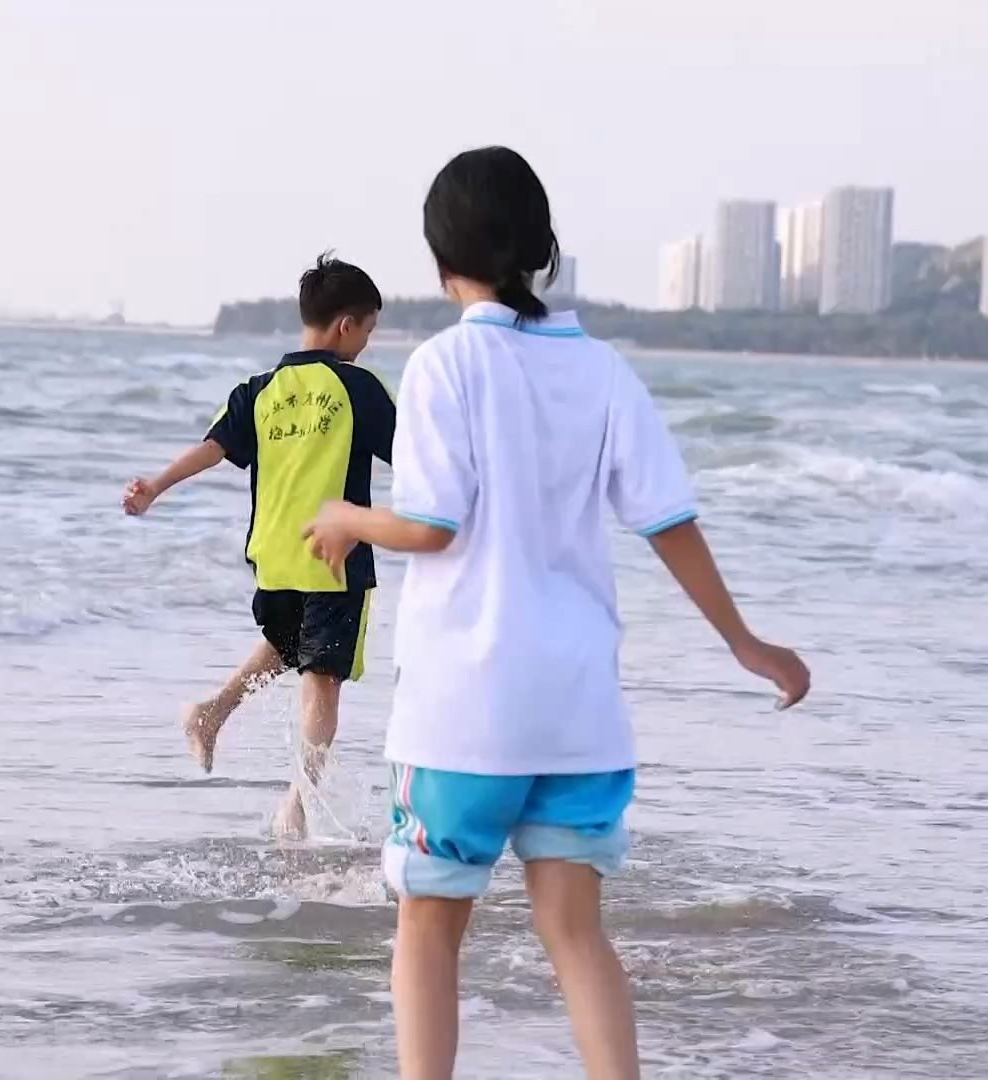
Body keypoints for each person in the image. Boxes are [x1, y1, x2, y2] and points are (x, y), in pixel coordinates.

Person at [303, 148, 811, 1080]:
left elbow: (430, 524)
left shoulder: (444, 363)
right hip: (578, 714)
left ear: (440, 259)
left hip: (464, 714)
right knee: (576, 934)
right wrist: (746, 643)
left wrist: (345, 517)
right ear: (542, 251)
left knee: (428, 927)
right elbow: (668, 520)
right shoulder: (602, 369)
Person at [123, 253, 395, 839]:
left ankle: (211, 713)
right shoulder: (357, 389)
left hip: (272, 555)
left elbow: (212, 447)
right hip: (333, 558)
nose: (367, 343)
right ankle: (297, 804)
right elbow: (420, 454)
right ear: (346, 325)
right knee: (322, 678)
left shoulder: (260, 389)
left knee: (285, 644)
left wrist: (155, 486)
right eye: (369, 330)